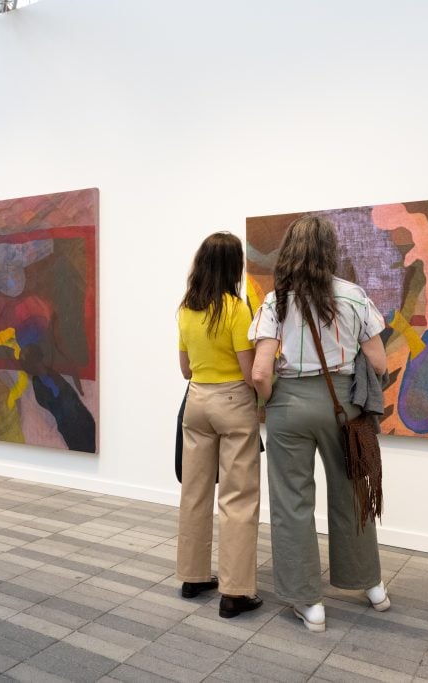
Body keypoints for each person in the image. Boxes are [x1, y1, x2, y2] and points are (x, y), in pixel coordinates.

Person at [249, 214, 390, 633]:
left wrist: (270, 404)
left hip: (289, 406)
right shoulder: (354, 296)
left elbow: (259, 372)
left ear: (289, 251)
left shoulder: (275, 302)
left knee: (293, 503)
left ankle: (309, 603)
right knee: (352, 493)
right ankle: (371, 585)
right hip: (342, 404)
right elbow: (380, 362)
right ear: (331, 251)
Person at [177, 232, 263, 619]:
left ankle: (192, 577)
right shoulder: (236, 308)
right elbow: (250, 373)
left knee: (195, 492)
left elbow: (185, 369)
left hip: (196, 401)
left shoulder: (186, 309)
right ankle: (235, 592)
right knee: (237, 496)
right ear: (234, 266)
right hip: (233, 402)